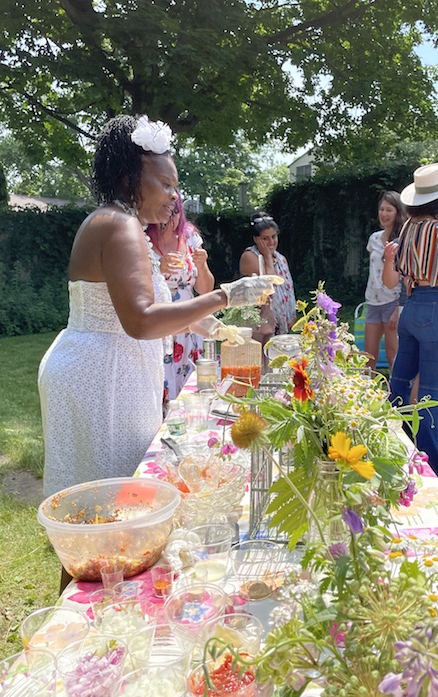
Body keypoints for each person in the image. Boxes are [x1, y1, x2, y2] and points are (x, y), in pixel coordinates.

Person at [38, 115, 281, 498]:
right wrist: (226, 295)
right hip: (103, 378)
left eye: (176, 187)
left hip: (107, 370)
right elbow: (141, 320)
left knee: (105, 501)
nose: (174, 196)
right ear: (128, 177)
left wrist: (219, 328)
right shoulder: (119, 225)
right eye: (165, 184)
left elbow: (155, 307)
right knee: (110, 501)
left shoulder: (119, 221)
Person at [382, 162, 438, 486]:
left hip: (411, 305)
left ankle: (396, 454)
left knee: (400, 384)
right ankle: (437, 470)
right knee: (431, 393)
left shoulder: (405, 230)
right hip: (437, 304)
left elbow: (397, 277)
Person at [146, 194, 214, 402]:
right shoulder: (142, 239)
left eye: (175, 213)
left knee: (191, 390)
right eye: (165, 212)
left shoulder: (190, 236)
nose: (169, 219)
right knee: (160, 387)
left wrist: (201, 265)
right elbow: (131, 287)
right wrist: (156, 269)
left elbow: (206, 289)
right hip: (160, 323)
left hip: (189, 324)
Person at [363, 191, 404, 370]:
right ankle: (366, 396)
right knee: (367, 357)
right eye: (381, 209)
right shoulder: (374, 239)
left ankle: (397, 396)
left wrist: (398, 308)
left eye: (389, 210)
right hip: (372, 302)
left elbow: (406, 276)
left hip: (392, 302)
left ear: (398, 213)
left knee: (392, 355)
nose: (384, 214)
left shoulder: (402, 240)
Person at [239, 211, 297, 338]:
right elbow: (270, 285)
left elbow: (288, 290)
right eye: (265, 238)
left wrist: (291, 316)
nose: (271, 242)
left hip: (282, 326)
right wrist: (267, 257)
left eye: (273, 237)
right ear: (256, 239)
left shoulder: (281, 259)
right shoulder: (249, 256)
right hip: (260, 326)